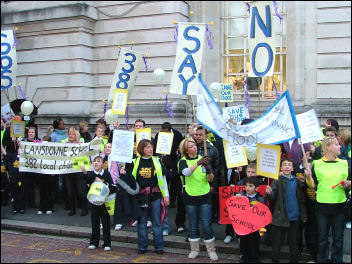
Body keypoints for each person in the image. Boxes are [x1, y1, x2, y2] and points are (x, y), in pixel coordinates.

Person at [305, 136, 351, 263]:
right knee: (322, 237)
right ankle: (322, 260)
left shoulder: (344, 163)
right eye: (336, 144)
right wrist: (308, 177)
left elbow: (350, 180)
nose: (339, 146)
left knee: (338, 238)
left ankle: (337, 260)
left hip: (339, 205)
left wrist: (349, 183)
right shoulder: (317, 164)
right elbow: (311, 185)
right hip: (322, 206)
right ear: (328, 147)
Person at [178, 137, 218, 261]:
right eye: (191, 146)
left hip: (204, 195)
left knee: (206, 224)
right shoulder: (183, 161)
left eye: (194, 145)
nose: (194, 147)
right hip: (190, 195)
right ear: (186, 150)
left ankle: (211, 250)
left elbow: (210, 179)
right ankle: (194, 249)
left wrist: (208, 169)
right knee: (193, 224)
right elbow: (185, 173)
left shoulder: (203, 159)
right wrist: (198, 163)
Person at [126, 139, 169, 255]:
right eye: (148, 147)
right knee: (142, 223)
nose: (151, 149)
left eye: (151, 147)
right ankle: (142, 246)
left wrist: (166, 195)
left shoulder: (157, 161)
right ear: (141, 149)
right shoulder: (134, 162)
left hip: (155, 196)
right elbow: (129, 180)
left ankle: (159, 247)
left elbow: (163, 179)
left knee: (157, 222)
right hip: (140, 197)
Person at [265, 157, 307, 263]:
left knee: (294, 243)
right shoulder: (277, 181)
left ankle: (294, 260)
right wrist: (269, 193)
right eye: (284, 164)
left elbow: (301, 200)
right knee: (277, 243)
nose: (287, 166)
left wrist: (303, 215)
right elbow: (272, 197)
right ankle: (275, 260)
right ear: (281, 168)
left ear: (293, 168)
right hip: (280, 217)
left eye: (289, 165)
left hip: (294, 217)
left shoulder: (297, 181)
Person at [81, 156, 116, 251]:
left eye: (98, 161)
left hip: (105, 203)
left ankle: (107, 243)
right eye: (94, 161)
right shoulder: (90, 174)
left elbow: (112, 187)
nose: (96, 163)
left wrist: (104, 183)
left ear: (103, 164)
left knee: (106, 223)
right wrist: (83, 170)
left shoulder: (106, 174)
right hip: (94, 203)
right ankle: (94, 242)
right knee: (95, 222)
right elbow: (86, 179)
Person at [193, 126, 220, 224]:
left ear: (205, 136)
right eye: (196, 135)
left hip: (208, 180)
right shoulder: (192, 148)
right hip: (196, 182)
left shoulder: (212, 150)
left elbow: (216, 169)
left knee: (208, 208)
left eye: (201, 135)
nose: (198, 137)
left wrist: (213, 185)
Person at [235, 177, 265, 263]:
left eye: (251, 186)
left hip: (254, 227)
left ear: (256, 188)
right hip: (243, 226)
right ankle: (244, 258)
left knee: (254, 243)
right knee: (243, 243)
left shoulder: (259, 197)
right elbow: (233, 201)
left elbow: (262, 210)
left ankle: (255, 258)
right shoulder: (242, 195)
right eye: (247, 186)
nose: (247, 188)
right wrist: (236, 196)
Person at [62, 126, 88, 216]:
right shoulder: (65, 145)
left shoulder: (80, 144)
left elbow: (84, 156)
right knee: (70, 192)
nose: (71, 135)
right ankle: (73, 209)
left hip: (78, 170)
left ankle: (85, 208)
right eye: (69, 134)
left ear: (76, 135)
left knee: (81, 191)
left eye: (72, 134)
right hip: (68, 171)